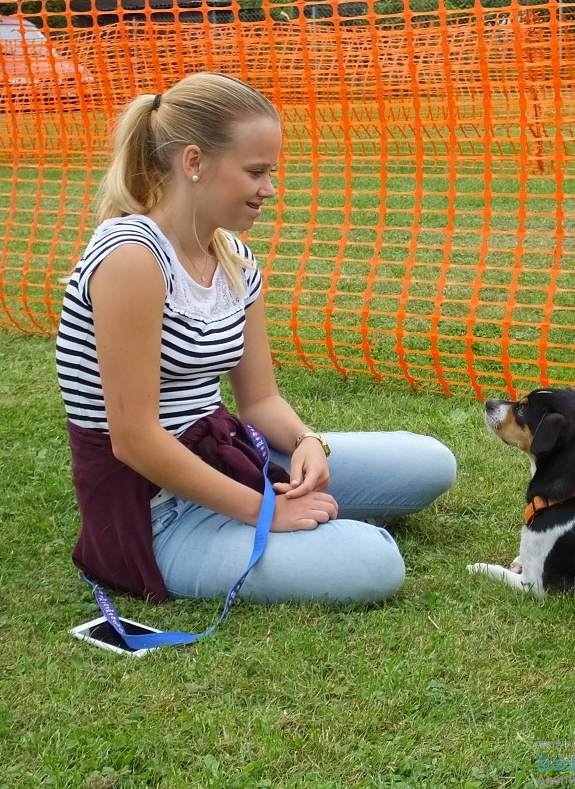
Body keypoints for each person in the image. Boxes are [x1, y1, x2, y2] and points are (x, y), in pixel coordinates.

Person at [56, 72, 456, 606]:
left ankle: (300, 521)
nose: (269, 188)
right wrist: (266, 511)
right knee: (373, 563)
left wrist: (308, 440)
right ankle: (294, 531)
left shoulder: (233, 258)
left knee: (430, 462)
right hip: (153, 507)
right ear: (194, 162)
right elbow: (133, 440)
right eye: (256, 172)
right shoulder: (132, 257)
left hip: (227, 458)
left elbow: (261, 401)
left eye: (271, 171)